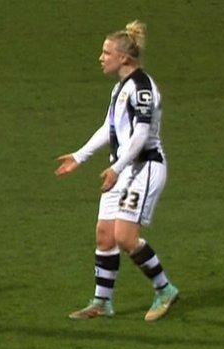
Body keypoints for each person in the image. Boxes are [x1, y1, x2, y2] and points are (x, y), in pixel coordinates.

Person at [55, 20, 178, 322]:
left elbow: (140, 135)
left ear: (124, 58)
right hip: (122, 169)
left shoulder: (143, 88)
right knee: (104, 235)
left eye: (107, 52)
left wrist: (115, 167)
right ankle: (101, 302)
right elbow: (110, 127)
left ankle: (165, 289)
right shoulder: (119, 88)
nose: (101, 57)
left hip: (144, 166)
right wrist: (80, 156)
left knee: (124, 236)